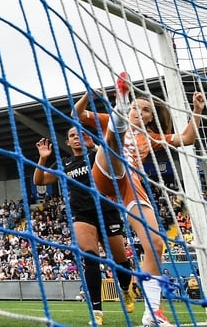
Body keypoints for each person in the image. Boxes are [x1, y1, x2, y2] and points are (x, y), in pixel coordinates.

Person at [74, 74, 204, 327]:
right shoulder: (103, 121)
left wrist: (197, 111)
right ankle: (117, 112)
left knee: (156, 243)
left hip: (131, 184)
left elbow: (187, 139)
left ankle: (152, 313)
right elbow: (77, 114)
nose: (140, 112)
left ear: (150, 118)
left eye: (145, 110)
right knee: (112, 144)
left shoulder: (152, 137)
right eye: (135, 107)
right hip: (104, 173)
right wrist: (88, 96)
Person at [33, 127, 135, 326]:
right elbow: (39, 180)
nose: (76, 137)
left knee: (120, 260)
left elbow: (116, 159)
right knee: (90, 257)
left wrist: (95, 146)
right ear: (68, 142)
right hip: (82, 214)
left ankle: (125, 288)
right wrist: (43, 158)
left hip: (107, 210)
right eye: (72, 135)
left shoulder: (97, 155)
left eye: (79, 134)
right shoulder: (64, 164)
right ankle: (97, 312)